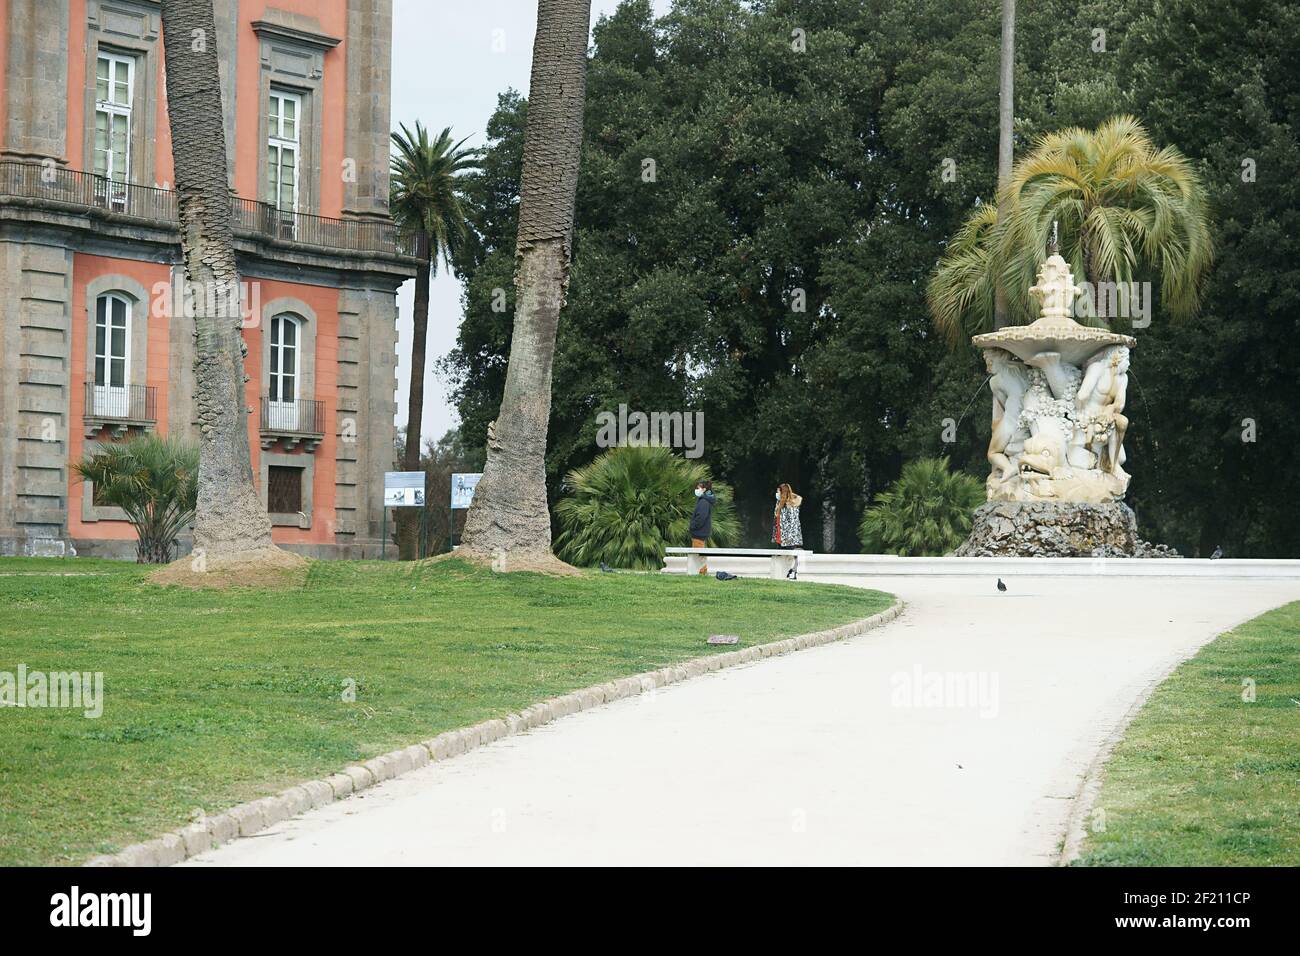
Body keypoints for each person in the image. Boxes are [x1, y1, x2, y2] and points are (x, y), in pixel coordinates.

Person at [688, 480, 715, 575]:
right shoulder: (704, 500)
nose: (696, 490)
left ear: (704, 489)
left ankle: (702, 572)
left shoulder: (703, 501)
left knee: (699, 554)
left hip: (699, 532)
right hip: (700, 532)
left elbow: (701, 518)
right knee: (699, 553)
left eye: (698, 488)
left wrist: (692, 526)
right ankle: (701, 571)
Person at [772, 482, 803, 559]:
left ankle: (792, 567)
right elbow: (776, 514)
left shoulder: (791, 503)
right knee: (780, 549)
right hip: (780, 529)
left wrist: (789, 493)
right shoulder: (780, 502)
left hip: (788, 534)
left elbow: (792, 522)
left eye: (778, 491)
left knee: (790, 551)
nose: (777, 493)